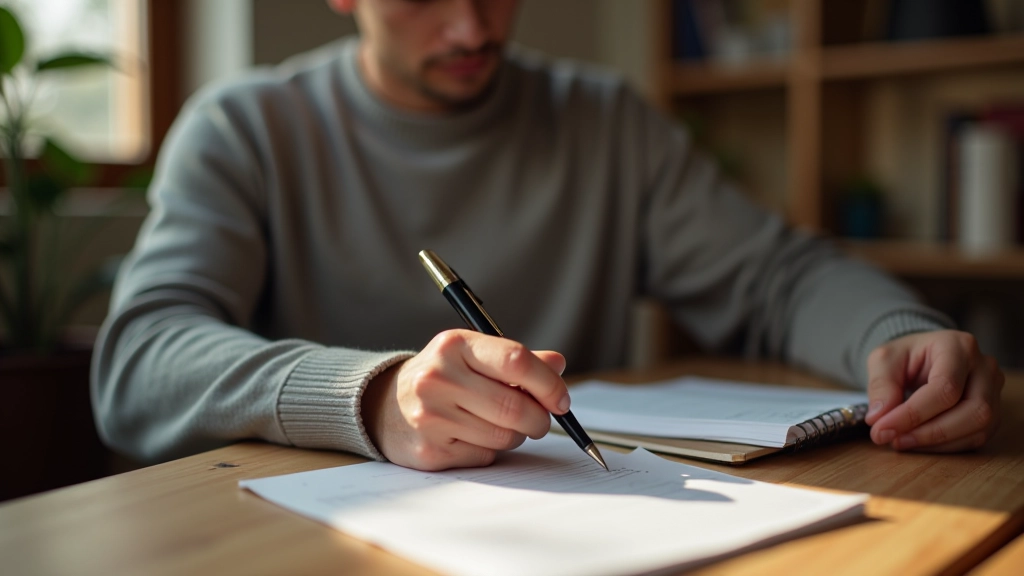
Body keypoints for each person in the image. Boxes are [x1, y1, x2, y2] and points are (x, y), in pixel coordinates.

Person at [92, 0, 1003, 471]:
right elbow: (142, 357)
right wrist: (371, 399)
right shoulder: (244, 128)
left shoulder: (605, 122)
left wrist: (896, 334)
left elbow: (776, 275)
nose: (472, 25)